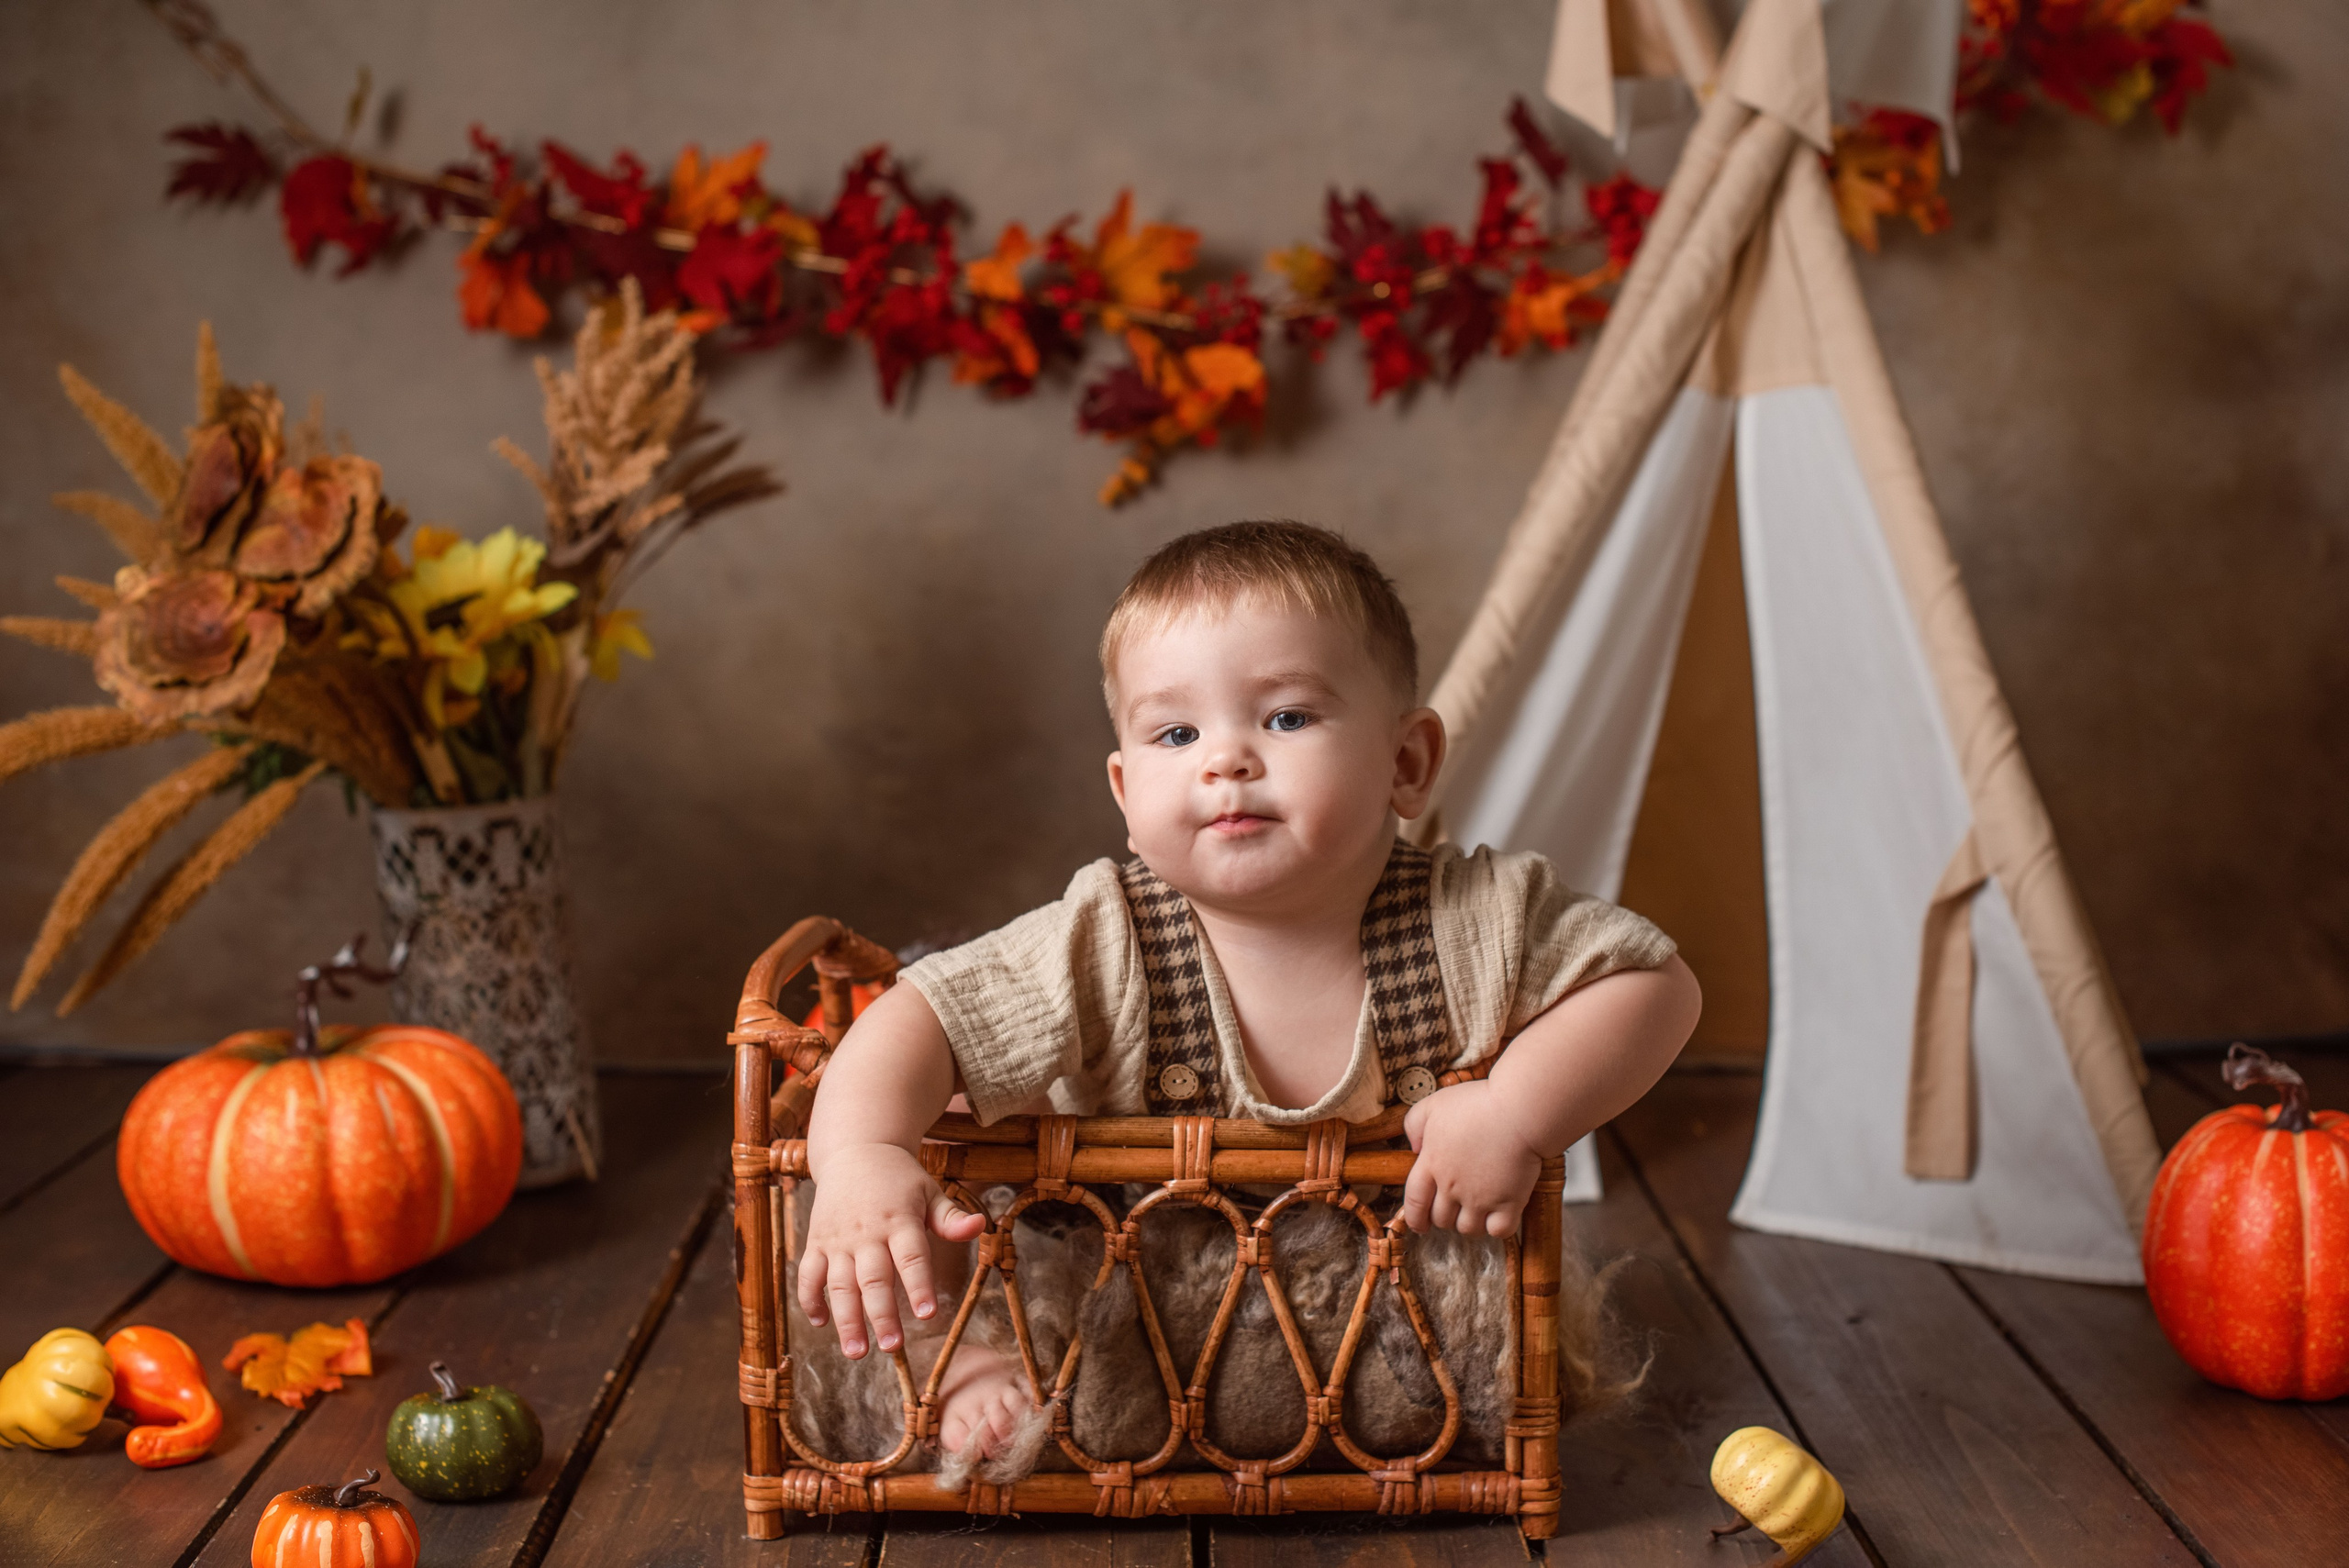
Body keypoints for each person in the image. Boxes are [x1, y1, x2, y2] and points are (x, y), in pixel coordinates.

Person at [800, 519, 1700, 1466]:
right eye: (1175, 732)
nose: (1223, 759)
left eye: (1285, 717)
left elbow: (1653, 981)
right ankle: (964, 1359)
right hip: (1116, 1274)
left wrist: (1517, 1110)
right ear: (1124, 788)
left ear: (1407, 762)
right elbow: (919, 1012)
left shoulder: (1474, 916)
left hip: (1358, 1289)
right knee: (950, 1192)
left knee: (1475, 1335)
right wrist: (860, 1150)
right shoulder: (1104, 933)